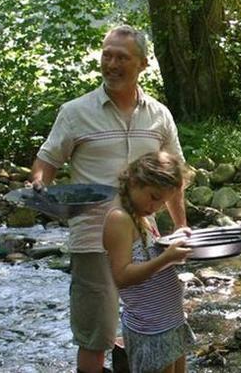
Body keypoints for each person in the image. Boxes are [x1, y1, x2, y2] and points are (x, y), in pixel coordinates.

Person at [29, 25, 188, 373]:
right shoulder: (75, 112)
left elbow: (175, 178)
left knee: (159, 325)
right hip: (92, 239)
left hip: (147, 241)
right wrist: (41, 187)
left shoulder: (159, 115)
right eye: (107, 55)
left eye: (122, 57)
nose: (111, 64)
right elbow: (47, 161)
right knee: (95, 335)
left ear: (143, 64)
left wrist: (181, 227)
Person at [104, 151, 194, 373]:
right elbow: (122, 277)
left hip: (171, 321)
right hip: (149, 329)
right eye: (154, 197)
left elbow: (151, 256)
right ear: (134, 182)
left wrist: (176, 242)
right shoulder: (119, 219)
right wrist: (166, 258)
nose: (156, 207)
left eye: (163, 202)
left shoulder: (144, 216)